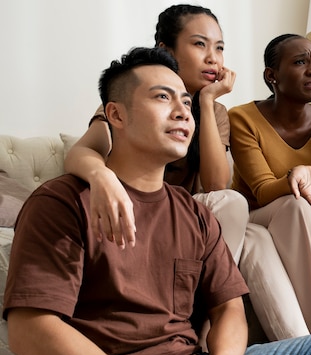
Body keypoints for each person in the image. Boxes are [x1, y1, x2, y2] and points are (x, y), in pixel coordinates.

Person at [3, 47, 311, 355]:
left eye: (186, 102)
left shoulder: (192, 210)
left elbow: (229, 310)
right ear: (115, 114)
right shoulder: (61, 202)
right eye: (162, 97)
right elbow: (29, 330)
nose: (182, 112)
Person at [64, 4, 247, 263]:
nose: (213, 58)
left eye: (219, 47)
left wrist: (205, 103)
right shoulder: (132, 99)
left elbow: (216, 185)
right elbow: (81, 152)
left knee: (255, 235)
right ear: (165, 50)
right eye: (199, 44)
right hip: (133, 205)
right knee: (241, 215)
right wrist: (102, 178)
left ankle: (213, 296)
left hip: (185, 214)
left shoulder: (214, 111)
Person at [229, 34, 311, 336]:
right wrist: (299, 171)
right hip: (254, 218)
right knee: (295, 205)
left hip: (300, 217)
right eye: (300, 62)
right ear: (272, 75)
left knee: (305, 207)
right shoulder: (242, 118)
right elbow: (263, 190)